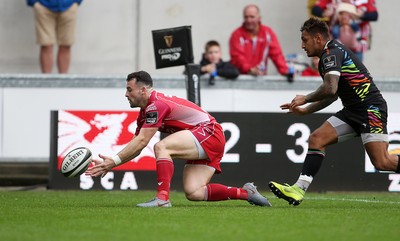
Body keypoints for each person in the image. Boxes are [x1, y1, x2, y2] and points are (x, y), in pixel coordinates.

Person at [86, 70, 271, 208]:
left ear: (143, 90)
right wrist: (111, 162)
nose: (126, 94)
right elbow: (137, 145)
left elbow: (142, 141)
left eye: (129, 89)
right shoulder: (144, 113)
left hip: (209, 132)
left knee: (162, 147)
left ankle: (162, 198)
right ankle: (246, 193)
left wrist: (113, 163)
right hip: (204, 137)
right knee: (195, 192)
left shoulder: (156, 105)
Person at [269, 18, 400, 206]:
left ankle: (298, 188)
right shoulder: (329, 54)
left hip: (370, 109)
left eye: (305, 40)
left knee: (382, 162)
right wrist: (306, 111)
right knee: (317, 139)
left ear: (318, 38)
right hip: (353, 110)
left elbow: (330, 89)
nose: (302, 45)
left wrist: (305, 98)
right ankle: (299, 189)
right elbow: (332, 95)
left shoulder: (331, 54)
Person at [229, 4, 294, 82]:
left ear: (259, 18)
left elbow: (277, 55)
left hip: (260, 79)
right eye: (246, 17)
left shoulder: (268, 33)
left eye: (252, 17)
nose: (249, 20)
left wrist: (285, 70)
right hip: (240, 80)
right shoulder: (236, 35)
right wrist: (249, 69)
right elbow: (237, 57)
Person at [26, 0, 83, 73]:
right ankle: (47, 82)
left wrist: (76, 2)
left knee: (66, 44)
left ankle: (63, 82)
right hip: (44, 6)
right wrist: (34, 2)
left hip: (68, 5)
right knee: (46, 45)